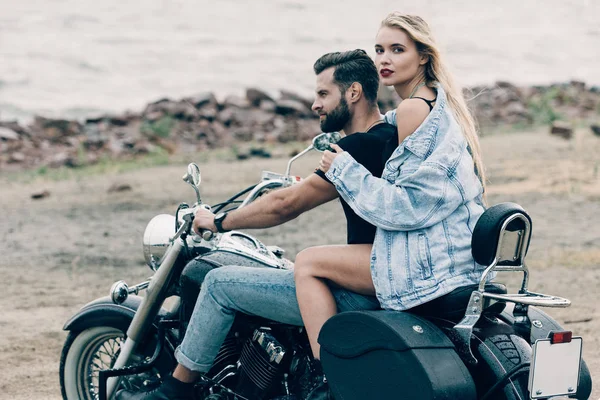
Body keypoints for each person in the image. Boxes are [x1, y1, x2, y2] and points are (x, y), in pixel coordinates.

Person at [116, 49, 396, 400]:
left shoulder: (356, 147)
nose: (315, 104)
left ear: (353, 93)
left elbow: (286, 206)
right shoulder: (390, 136)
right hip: (377, 280)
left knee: (219, 283)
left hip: (357, 297)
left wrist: (219, 221)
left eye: (323, 94)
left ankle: (175, 391)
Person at [295, 11, 489, 365]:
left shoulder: (413, 109)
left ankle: (331, 370)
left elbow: (406, 206)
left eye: (397, 50)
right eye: (379, 50)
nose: (384, 59)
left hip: (426, 261)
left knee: (307, 261)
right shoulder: (433, 103)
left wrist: (343, 170)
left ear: (424, 56)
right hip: (451, 251)